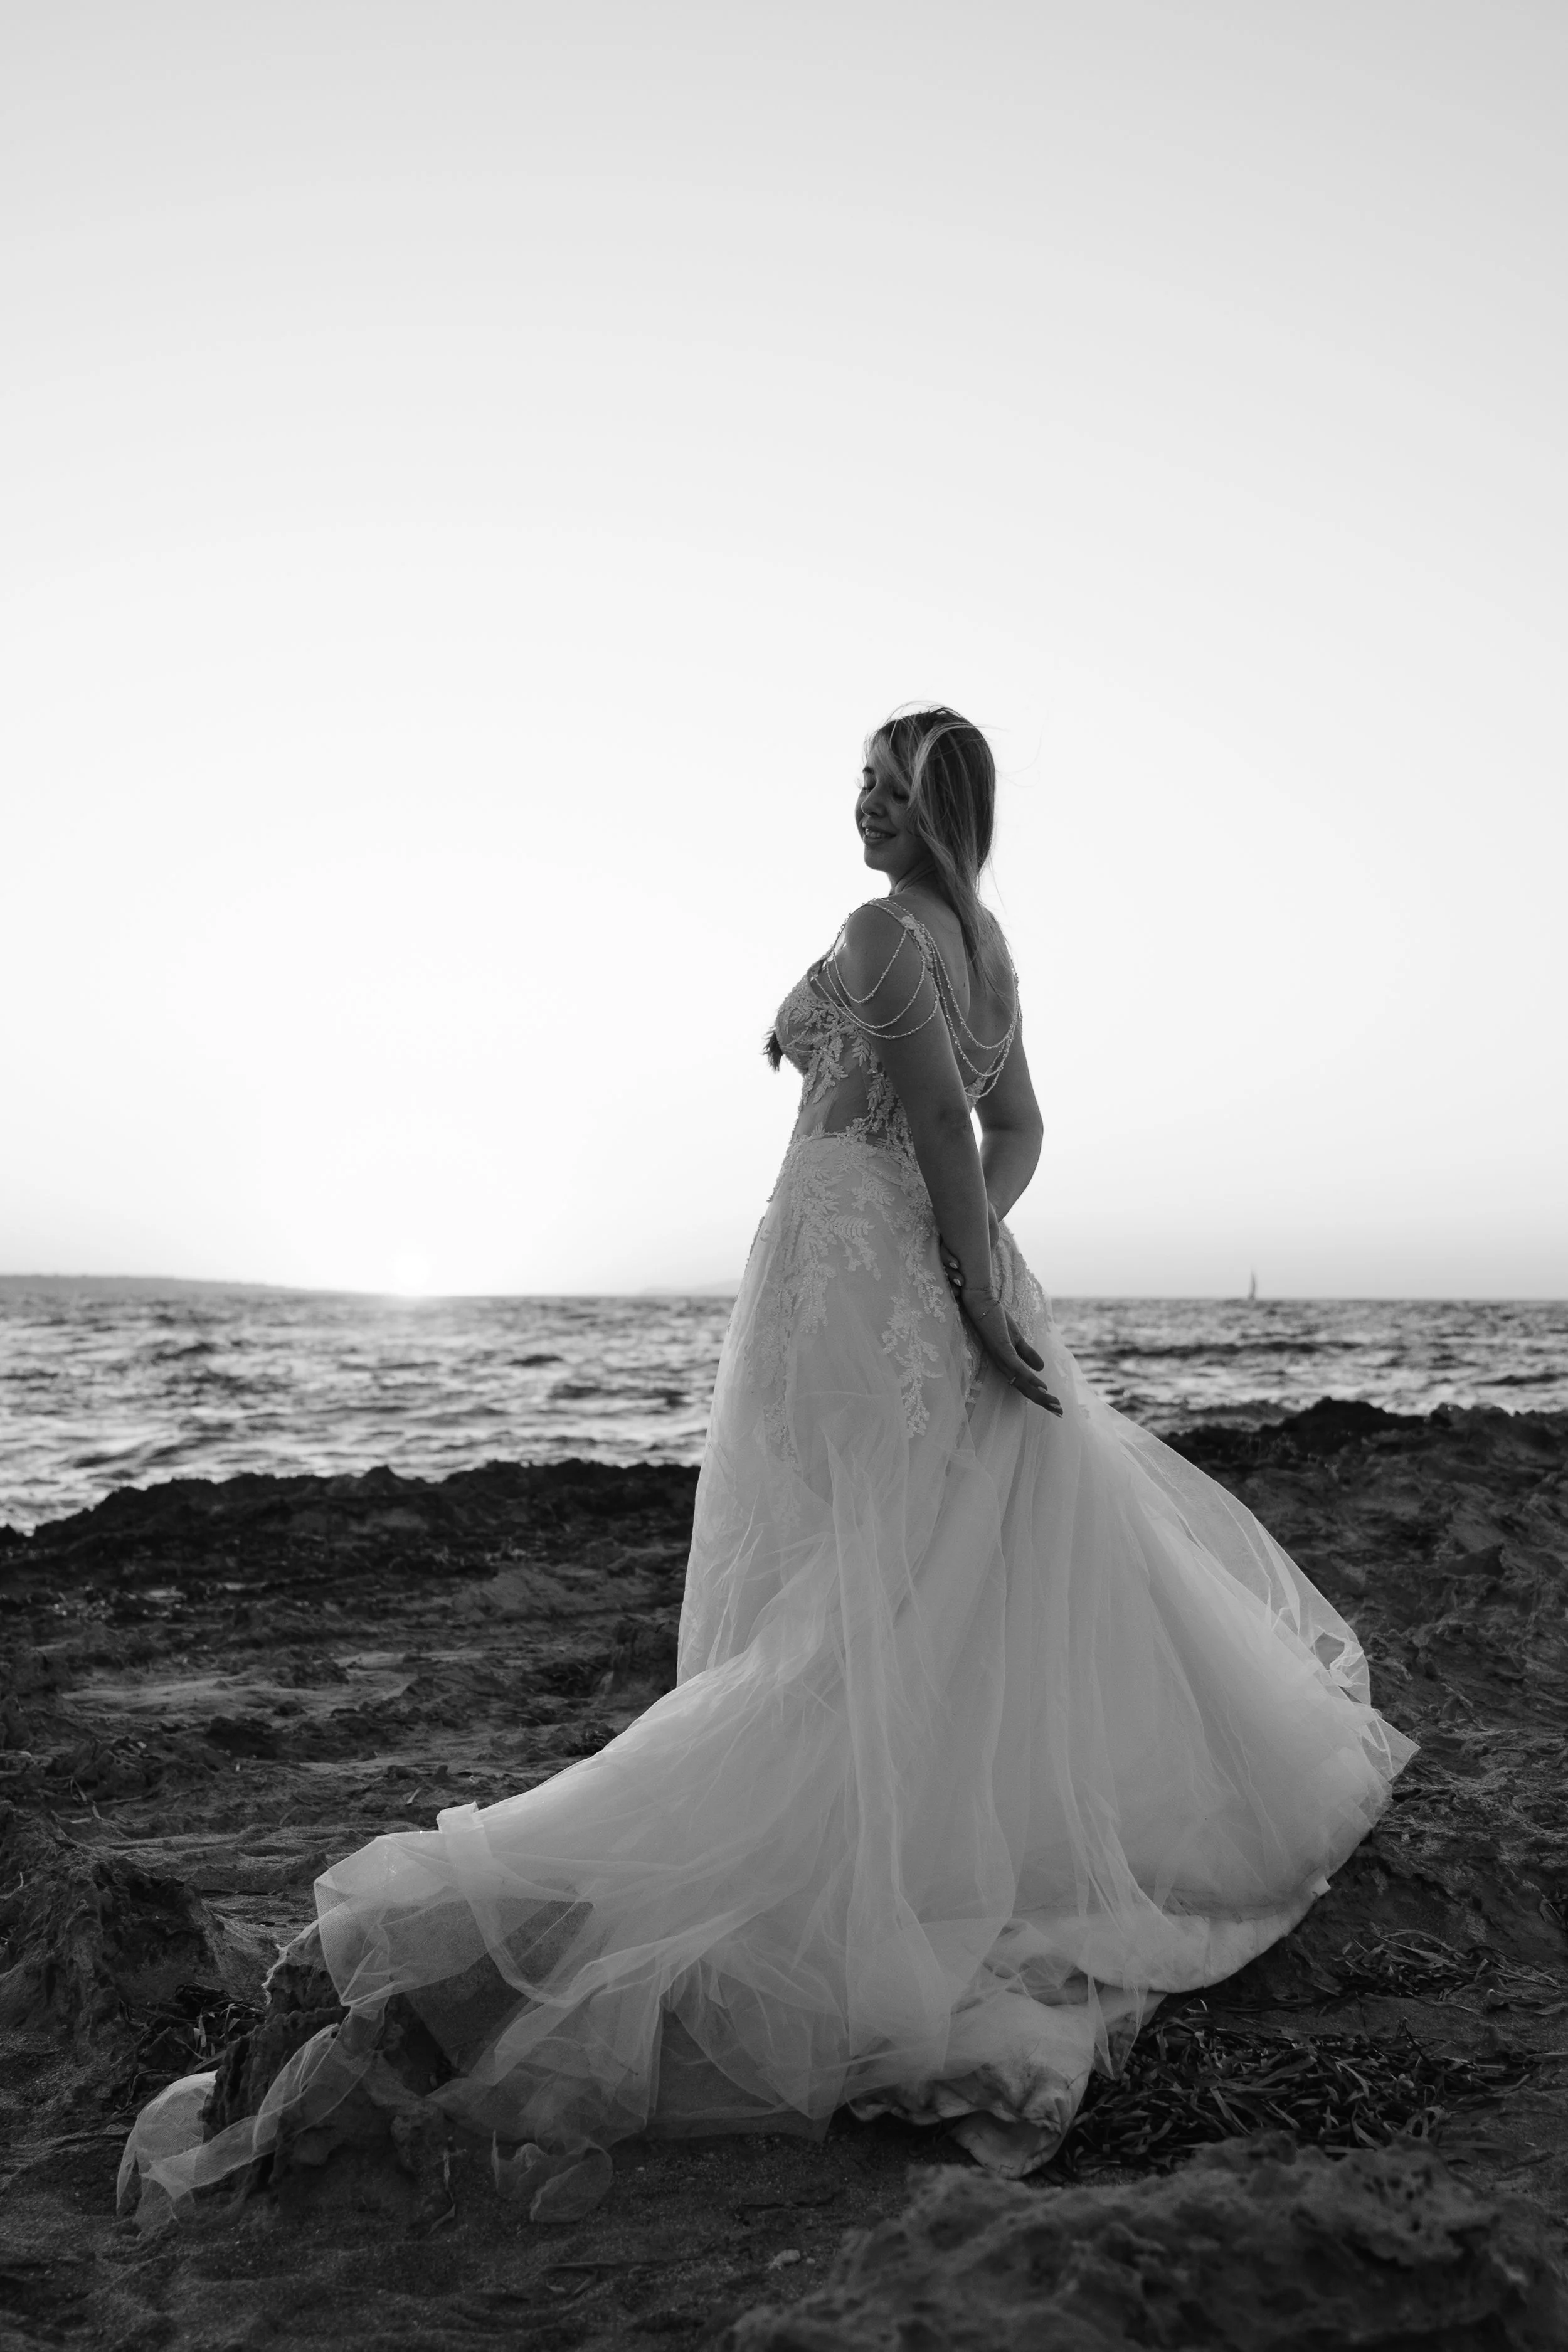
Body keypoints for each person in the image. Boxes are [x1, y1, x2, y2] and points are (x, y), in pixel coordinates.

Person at [125, 706, 1412, 2210]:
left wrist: (953, 1282)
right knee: (901, 1576)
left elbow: (952, 1125)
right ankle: (925, 1822)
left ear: (940, 814)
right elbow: (1015, 1131)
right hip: (888, 1272)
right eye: (859, 785)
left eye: (889, 793)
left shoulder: (883, 934)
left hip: (855, 1289)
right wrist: (975, 1254)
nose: (862, 810)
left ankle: (842, 1849)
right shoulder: (985, 949)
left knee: (850, 1587)